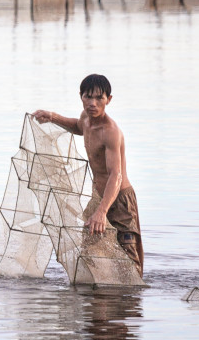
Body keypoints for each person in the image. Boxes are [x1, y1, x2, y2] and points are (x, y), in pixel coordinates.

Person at [33, 74, 143, 274]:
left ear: (108, 100)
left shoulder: (111, 132)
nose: (93, 103)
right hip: (98, 196)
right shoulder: (86, 117)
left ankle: (130, 293)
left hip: (119, 200)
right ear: (81, 96)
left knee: (129, 261)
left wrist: (101, 212)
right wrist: (52, 117)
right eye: (88, 97)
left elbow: (116, 175)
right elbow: (78, 126)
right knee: (89, 250)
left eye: (99, 98)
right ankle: (98, 292)